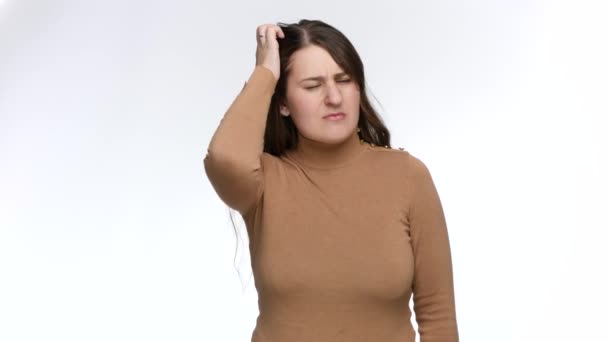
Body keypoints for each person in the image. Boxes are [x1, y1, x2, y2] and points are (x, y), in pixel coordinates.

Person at [204, 19, 459, 342]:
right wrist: (265, 72)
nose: (334, 97)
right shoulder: (263, 182)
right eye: (313, 86)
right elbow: (223, 158)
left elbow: (437, 316)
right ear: (282, 102)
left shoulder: (408, 176)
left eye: (344, 80)